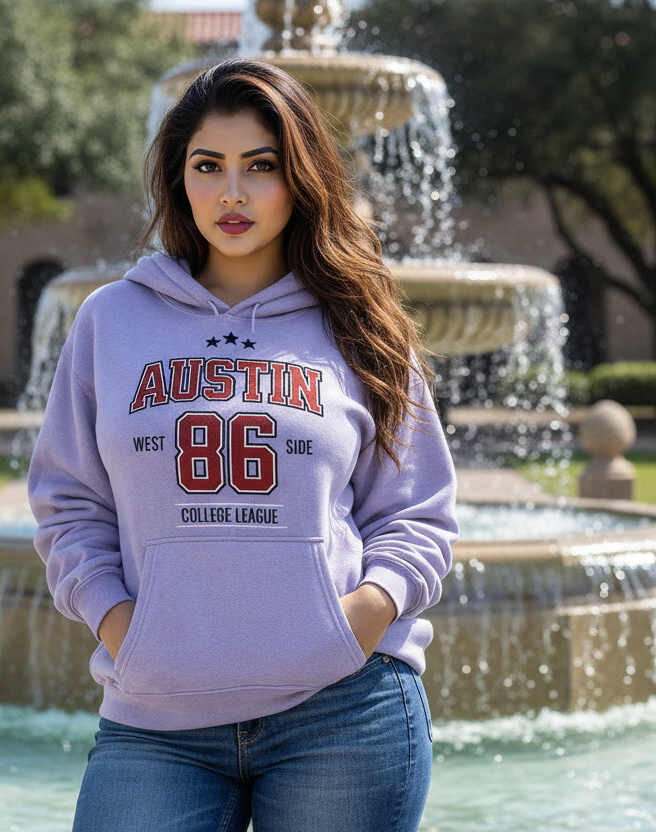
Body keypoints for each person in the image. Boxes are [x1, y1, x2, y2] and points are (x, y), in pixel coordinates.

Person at [28, 58, 458, 832]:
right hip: (156, 719)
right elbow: (68, 507)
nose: (232, 193)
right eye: (208, 166)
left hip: (343, 713)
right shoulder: (109, 321)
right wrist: (127, 629)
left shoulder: (360, 321)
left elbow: (419, 512)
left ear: (300, 178)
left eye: (261, 166)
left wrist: (357, 621)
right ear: (178, 178)